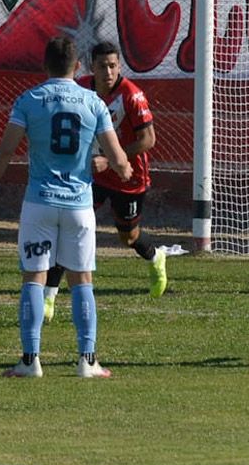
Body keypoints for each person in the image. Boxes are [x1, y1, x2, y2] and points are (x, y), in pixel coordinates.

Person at [0, 36, 132, 378]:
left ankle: (30, 361)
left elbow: (4, 151)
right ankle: (87, 361)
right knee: (82, 279)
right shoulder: (93, 102)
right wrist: (123, 167)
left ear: (45, 66)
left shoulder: (29, 100)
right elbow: (118, 157)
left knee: (34, 277)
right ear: (77, 67)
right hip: (78, 206)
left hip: (40, 203)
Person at [42, 41, 167, 323]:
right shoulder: (81, 88)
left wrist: (112, 160)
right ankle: (48, 297)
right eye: (102, 66)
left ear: (119, 66)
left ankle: (155, 256)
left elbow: (148, 139)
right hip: (91, 174)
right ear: (91, 68)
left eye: (113, 66)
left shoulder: (132, 96)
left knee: (129, 237)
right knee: (68, 228)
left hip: (128, 176)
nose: (108, 72)